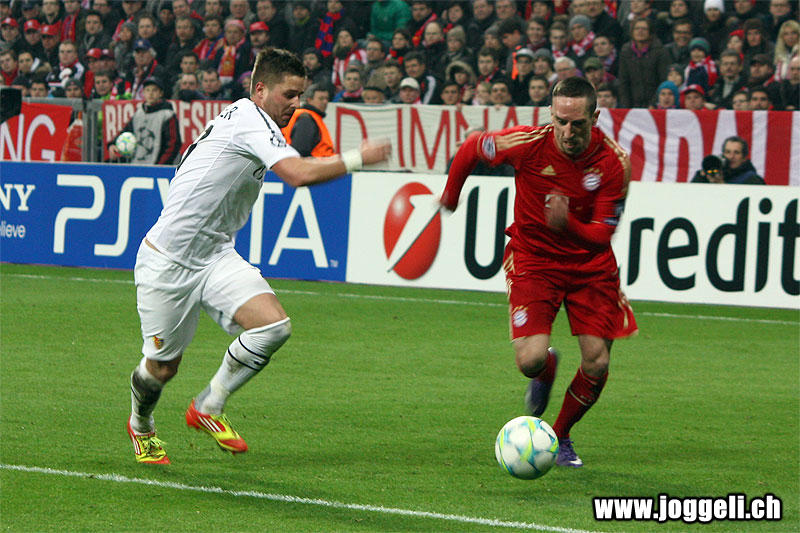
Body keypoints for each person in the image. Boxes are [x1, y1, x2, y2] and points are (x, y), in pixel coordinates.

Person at [125, 48, 391, 464]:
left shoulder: (255, 122)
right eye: (290, 94)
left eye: (300, 95)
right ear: (261, 89)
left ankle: (209, 404)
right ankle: (141, 424)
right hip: (168, 261)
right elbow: (296, 174)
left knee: (274, 327)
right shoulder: (250, 118)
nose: (296, 104)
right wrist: (359, 157)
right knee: (162, 368)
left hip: (215, 254)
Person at [439, 77, 636, 468]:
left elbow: (602, 235)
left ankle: (559, 436)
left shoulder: (614, 162)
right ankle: (545, 371)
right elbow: (473, 146)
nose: (567, 131)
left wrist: (568, 224)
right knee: (530, 361)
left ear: (595, 117)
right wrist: (451, 194)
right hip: (534, 262)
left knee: (597, 362)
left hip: (590, 267)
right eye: (560, 121)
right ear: (551, 114)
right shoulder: (528, 143)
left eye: (578, 123)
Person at [108, 76, 182, 165]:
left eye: (154, 90)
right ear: (143, 93)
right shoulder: (139, 113)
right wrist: (113, 144)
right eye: (147, 90)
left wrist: (160, 165)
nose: (150, 93)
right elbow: (126, 131)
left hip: (158, 167)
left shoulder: (167, 115)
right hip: (136, 165)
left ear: (161, 93)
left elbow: (173, 144)